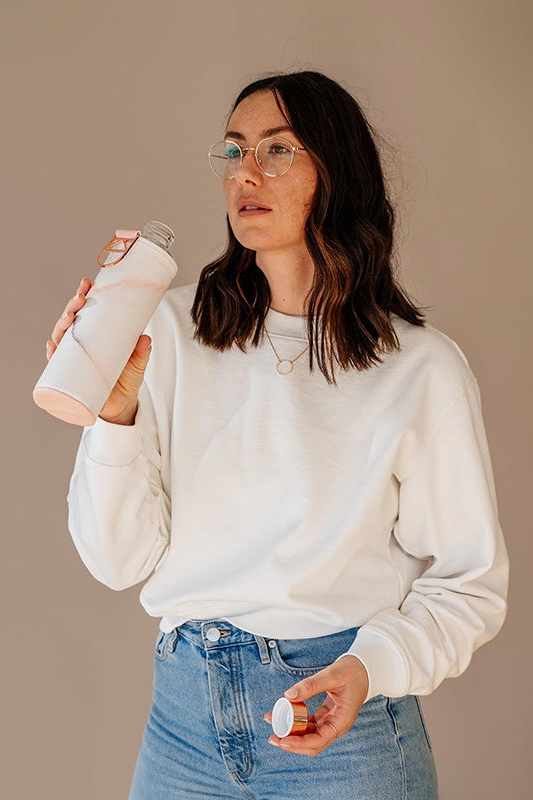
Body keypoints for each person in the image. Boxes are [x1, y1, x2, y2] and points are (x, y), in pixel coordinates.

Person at [47, 71, 508, 799]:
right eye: (232, 152)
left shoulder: (419, 369)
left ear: (337, 170)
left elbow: (470, 583)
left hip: (342, 726)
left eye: (278, 150)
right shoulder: (165, 329)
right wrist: (113, 413)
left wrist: (371, 667)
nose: (246, 174)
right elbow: (116, 560)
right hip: (182, 727)